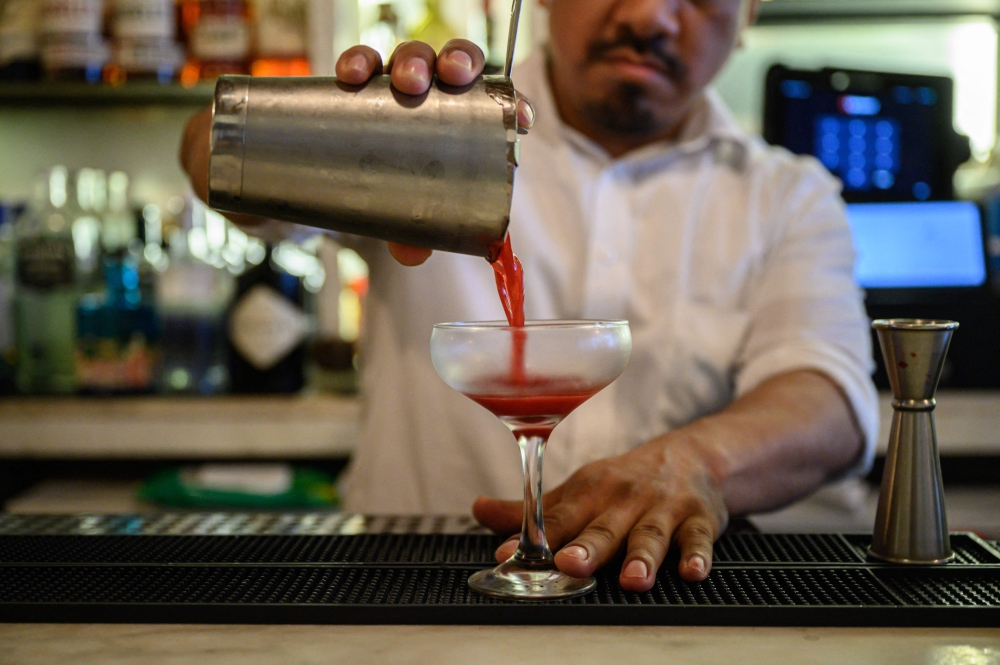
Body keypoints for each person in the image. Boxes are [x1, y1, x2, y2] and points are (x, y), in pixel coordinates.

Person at [179, 0, 878, 593]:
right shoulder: (441, 128)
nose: (648, 15)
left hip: (660, 605)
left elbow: (830, 400)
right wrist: (346, 121)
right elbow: (211, 150)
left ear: (750, 11)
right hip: (405, 596)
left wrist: (696, 463)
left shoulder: (788, 193)